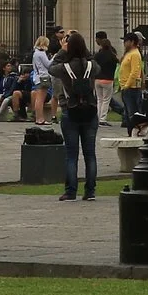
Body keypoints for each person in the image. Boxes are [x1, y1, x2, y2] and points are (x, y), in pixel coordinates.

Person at [50, 34, 99, 201]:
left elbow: (51, 68)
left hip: (70, 111)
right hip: (90, 112)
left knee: (71, 155)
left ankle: (71, 191)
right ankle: (90, 191)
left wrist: (62, 51)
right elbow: (97, 65)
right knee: (90, 154)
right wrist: (84, 51)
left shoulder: (65, 67)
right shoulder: (91, 66)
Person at [115, 33, 146, 134]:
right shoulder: (129, 53)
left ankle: (135, 131)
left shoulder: (135, 54)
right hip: (126, 87)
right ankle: (130, 131)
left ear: (132, 42)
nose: (124, 43)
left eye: (126, 41)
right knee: (128, 112)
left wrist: (127, 85)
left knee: (133, 112)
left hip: (131, 88)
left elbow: (135, 72)